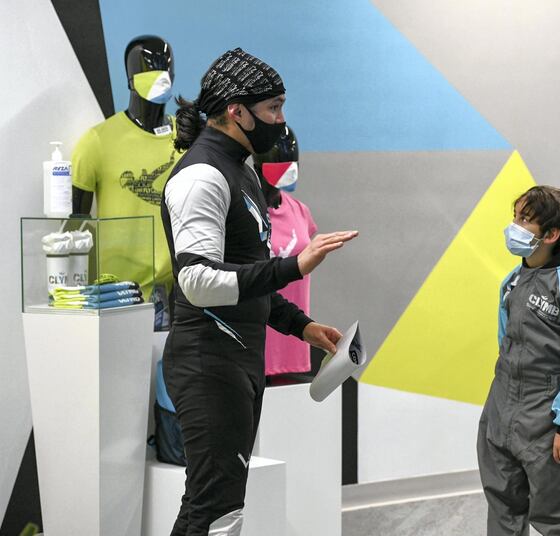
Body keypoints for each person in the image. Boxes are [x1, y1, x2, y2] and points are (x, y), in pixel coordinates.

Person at [160, 47, 357, 535]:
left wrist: (302, 326)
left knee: (222, 507)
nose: (281, 120)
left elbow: (247, 276)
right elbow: (199, 283)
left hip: (237, 361)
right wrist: (295, 265)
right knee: (212, 507)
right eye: (273, 109)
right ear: (236, 111)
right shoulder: (200, 176)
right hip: (208, 362)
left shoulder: (242, 170)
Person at [478, 185, 560, 536]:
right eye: (515, 216)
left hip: (547, 412)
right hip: (501, 407)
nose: (514, 226)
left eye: (525, 220)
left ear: (551, 234)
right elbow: (506, 343)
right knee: (502, 503)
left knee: (554, 515)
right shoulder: (512, 280)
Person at [71, 35, 177, 330]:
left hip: (179, 292)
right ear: (130, 79)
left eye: (166, 68)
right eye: (149, 68)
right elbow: (76, 222)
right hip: (115, 295)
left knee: (171, 375)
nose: (161, 76)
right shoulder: (97, 142)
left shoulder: (188, 139)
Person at [252, 127, 318, 378]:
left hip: (294, 337)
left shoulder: (300, 211)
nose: (290, 167)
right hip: (259, 340)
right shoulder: (248, 212)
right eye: (281, 161)